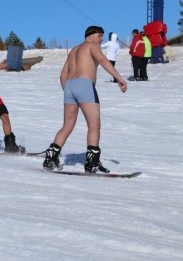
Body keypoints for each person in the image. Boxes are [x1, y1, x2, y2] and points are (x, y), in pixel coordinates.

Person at [43, 25, 127, 173]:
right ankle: (92, 162)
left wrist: (70, 92)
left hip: (69, 87)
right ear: (91, 35)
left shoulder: (74, 50)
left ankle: (50, 158)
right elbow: (102, 59)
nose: (101, 39)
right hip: (84, 85)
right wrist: (119, 78)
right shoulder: (92, 45)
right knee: (94, 125)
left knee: (67, 125)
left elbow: (62, 76)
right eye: (100, 36)